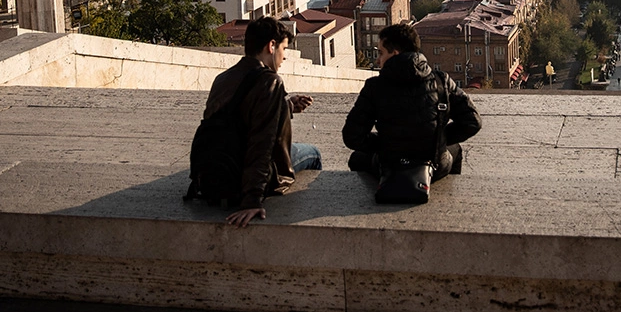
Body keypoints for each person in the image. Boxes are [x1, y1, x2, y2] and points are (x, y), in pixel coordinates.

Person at [203, 17, 321, 227]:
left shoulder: (223, 78)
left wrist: (287, 106)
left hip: (217, 172)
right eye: (284, 49)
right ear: (271, 46)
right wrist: (252, 200)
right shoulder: (271, 81)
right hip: (247, 176)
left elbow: (239, 117)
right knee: (313, 154)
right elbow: (262, 142)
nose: (284, 57)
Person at [342, 23, 481, 184]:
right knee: (455, 149)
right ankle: (442, 191)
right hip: (434, 165)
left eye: (380, 53)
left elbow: (352, 137)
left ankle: (384, 187)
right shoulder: (441, 81)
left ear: (395, 54)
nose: (378, 60)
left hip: (390, 163)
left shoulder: (375, 86)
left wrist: (387, 143)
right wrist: (436, 139)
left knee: (357, 158)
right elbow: (473, 121)